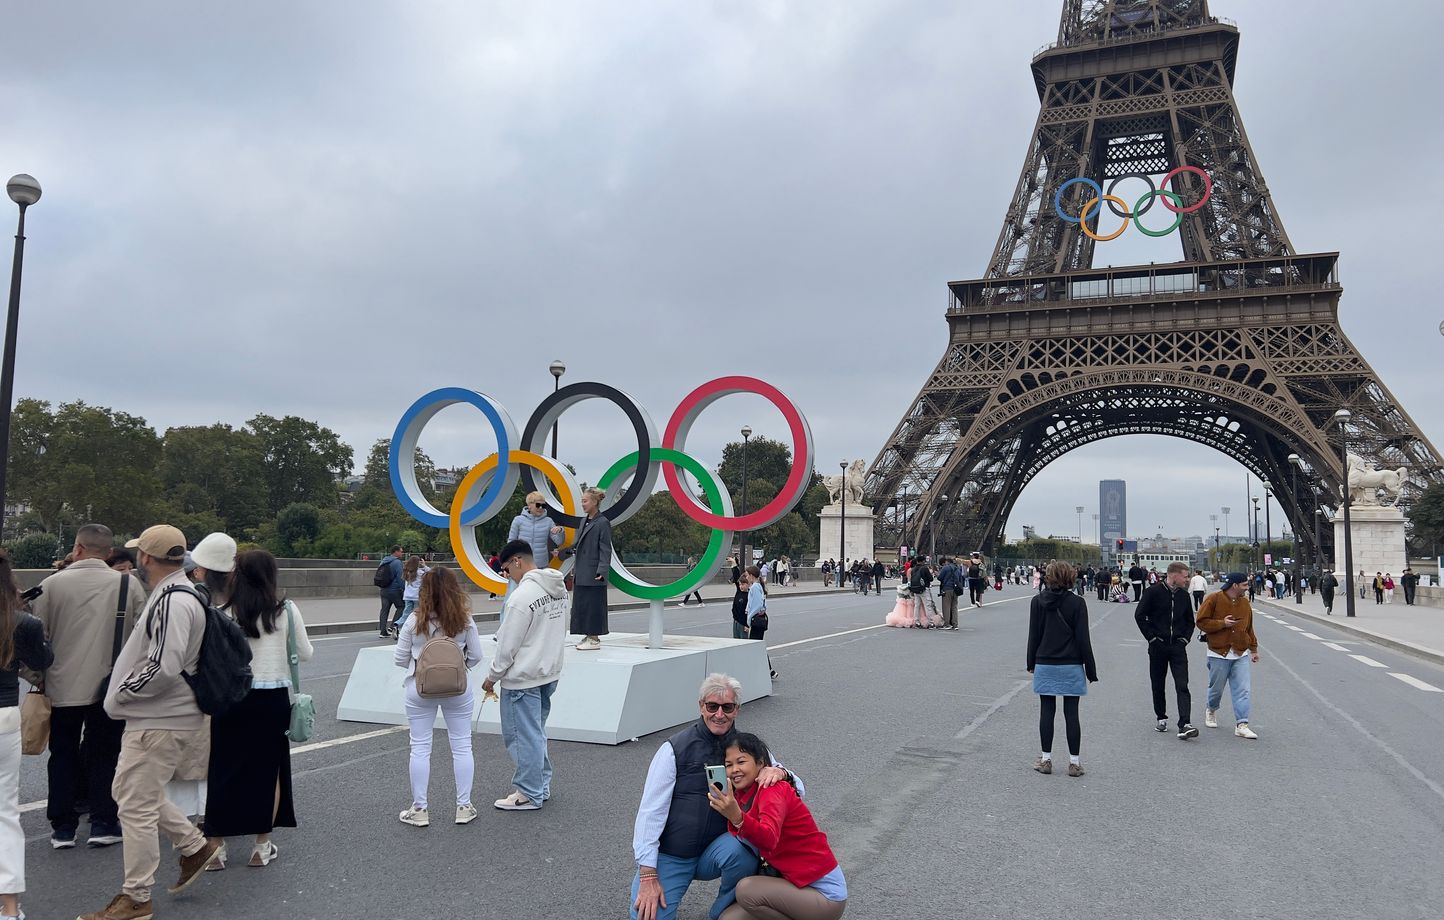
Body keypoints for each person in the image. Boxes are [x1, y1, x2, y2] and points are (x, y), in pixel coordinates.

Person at [82, 525, 225, 920]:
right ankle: (194, 845)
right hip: (168, 715)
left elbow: (163, 666)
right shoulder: (184, 594)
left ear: (145, 557)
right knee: (132, 794)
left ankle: (137, 895)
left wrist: (120, 693)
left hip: (158, 717)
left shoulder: (170, 600)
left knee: (135, 807)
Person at [630, 674, 802, 920]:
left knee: (742, 850)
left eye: (727, 707)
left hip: (719, 849)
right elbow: (650, 812)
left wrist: (781, 772)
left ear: (737, 710)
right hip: (673, 854)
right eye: (712, 706)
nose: (719, 714)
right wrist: (648, 873)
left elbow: (799, 788)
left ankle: (723, 913)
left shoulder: (748, 748)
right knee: (646, 916)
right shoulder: (674, 749)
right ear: (701, 706)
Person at [31, 523, 144, 850]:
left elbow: (37, 639)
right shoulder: (128, 585)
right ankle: (103, 821)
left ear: (77, 548)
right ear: (109, 553)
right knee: (105, 753)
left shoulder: (50, 586)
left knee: (63, 753)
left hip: (60, 685)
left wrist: (39, 680)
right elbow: (141, 637)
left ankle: (63, 827)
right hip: (110, 686)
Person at [204, 549, 313, 865]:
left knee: (222, 769)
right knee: (269, 772)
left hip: (230, 697)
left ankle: (215, 846)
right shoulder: (285, 610)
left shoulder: (221, 610)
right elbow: (304, 653)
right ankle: (261, 846)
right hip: (272, 698)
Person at [707, 732, 847, 919]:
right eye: (728, 765)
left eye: (741, 762)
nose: (734, 770)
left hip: (825, 895)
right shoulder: (740, 795)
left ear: (760, 763)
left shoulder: (772, 789)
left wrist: (737, 817)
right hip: (792, 885)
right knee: (729, 918)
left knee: (746, 890)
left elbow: (769, 838)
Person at [394, 565, 483, 827]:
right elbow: (477, 655)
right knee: (462, 745)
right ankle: (463, 806)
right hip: (457, 688)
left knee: (420, 747)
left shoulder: (414, 619)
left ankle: (420, 809)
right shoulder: (464, 619)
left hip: (420, 689)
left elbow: (399, 658)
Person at [483, 540, 568, 811]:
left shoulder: (521, 598)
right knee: (536, 733)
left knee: (521, 736)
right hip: (548, 671)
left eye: (507, 568)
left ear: (517, 561)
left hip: (523, 676)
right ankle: (539, 785)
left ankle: (528, 792)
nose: (507, 575)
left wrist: (492, 677)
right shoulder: (558, 589)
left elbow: (508, 646)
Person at [1, 549, 54, 920]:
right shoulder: (21, 622)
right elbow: (43, 662)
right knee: (4, 812)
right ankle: (9, 908)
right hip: (3, 714)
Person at [1025, 561, 1097, 777]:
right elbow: (1083, 639)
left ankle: (1046, 759)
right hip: (1071, 664)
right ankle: (1074, 763)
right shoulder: (1077, 603)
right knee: (1071, 714)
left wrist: (1031, 663)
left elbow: (1033, 635)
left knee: (1047, 711)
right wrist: (1091, 669)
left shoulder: (1037, 602)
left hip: (1045, 662)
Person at [1133, 562, 1199, 740]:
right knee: (1158, 683)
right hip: (1158, 645)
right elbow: (1139, 615)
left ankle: (1184, 723)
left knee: (1182, 684)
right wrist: (1152, 638)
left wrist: (1184, 639)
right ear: (1174, 575)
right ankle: (1161, 716)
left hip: (1177, 646)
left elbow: (1189, 621)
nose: (1187, 580)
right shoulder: (1153, 593)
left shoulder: (1184, 596)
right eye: (1185, 576)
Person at [1195, 573, 1260, 740]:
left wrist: (1253, 649)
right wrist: (1222, 623)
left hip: (1240, 652)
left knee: (1243, 690)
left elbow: (1249, 627)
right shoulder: (1214, 599)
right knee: (1216, 689)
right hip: (1218, 652)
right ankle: (1211, 709)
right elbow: (1201, 621)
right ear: (1235, 585)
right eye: (1245, 585)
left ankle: (1242, 724)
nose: (1247, 588)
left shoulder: (1245, 603)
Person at [560, 487, 612, 650]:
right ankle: (587, 635)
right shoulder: (584, 521)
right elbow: (579, 544)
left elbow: (605, 549)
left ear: (595, 501)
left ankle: (594, 638)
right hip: (582, 571)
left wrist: (601, 571)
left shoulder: (603, 522)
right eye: (582, 501)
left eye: (585, 501)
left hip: (593, 572)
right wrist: (562, 553)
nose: (582, 504)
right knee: (582, 604)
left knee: (594, 605)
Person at [508, 491, 565, 568]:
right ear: (529, 505)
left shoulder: (549, 521)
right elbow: (511, 542)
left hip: (541, 566)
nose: (541, 508)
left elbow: (559, 542)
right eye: (538, 505)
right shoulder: (518, 520)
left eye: (543, 505)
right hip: (521, 565)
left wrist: (560, 530)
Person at [744, 567, 777, 680]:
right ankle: (769, 670)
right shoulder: (759, 586)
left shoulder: (755, 587)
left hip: (756, 620)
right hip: (760, 619)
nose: (746, 577)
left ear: (752, 576)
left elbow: (757, 604)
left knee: (755, 646)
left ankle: (765, 670)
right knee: (758, 645)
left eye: (747, 575)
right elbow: (763, 604)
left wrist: (749, 617)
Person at [395, 555, 429, 635]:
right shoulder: (420, 572)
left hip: (407, 596)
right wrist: (424, 565)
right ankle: (416, 629)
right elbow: (430, 572)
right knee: (417, 614)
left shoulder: (406, 572)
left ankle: (398, 624)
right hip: (417, 596)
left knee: (406, 613)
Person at [377, 545, 405, 639]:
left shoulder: (384, 561)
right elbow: (400, 578)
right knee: (401, 607)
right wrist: (404, 589)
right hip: (394, 590)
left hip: (383, 589)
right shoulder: (397, 562)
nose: (402, 553)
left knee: (384, 610)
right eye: (401, 551)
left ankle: (382, 631)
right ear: (395, 552)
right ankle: (393, 626)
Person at [935, 556, 960, 630]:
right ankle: (955, 624)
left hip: (947, 588)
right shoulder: (957, 568)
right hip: (956, 589)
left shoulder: (945, 568)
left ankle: (947, 624)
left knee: (946, 607)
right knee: (954, 607)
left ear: (947, 562)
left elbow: (940, 578)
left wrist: (937, 574)